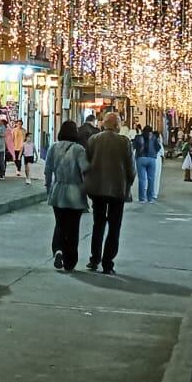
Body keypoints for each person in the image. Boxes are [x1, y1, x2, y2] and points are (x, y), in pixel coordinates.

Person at [84, 109, 135, 273]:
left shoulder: (93, 140)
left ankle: (94, 258)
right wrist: (129, 183)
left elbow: (87, 163)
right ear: (115, 125)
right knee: (114, 226)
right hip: (117, 190)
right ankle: (108, 263)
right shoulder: (124, 142)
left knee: (98, 224)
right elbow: (130, 168)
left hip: (97, 189)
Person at [44, 120, 90, 270]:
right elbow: (85, 171)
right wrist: (87, 189)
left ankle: (58, 250)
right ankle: (70, 260)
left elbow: (47, 170)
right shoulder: (79, 150)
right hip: (75, 193)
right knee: (73, 227)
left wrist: (48, 187)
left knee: (60, 224)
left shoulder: (53, 148)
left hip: (58, 190)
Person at [134, 125, 162, 201]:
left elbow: (134, 146)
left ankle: (142, 198)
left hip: (141, 159)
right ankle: (150, 198)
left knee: (142, 179)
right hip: (151, 159)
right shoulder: (153, 137)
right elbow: (158, 147)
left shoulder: (138, 137)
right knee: (151, 179)